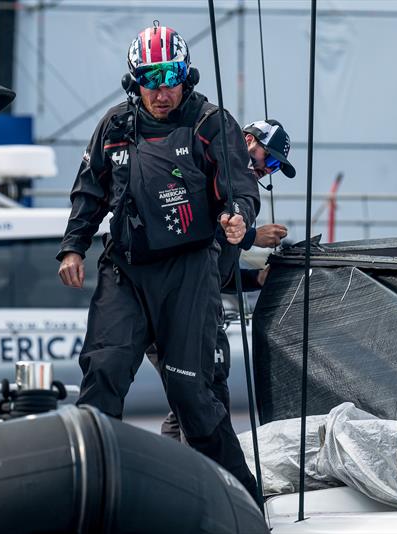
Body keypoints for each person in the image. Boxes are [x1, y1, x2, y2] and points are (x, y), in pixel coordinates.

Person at [57, 22, 260, 495]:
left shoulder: (210, 123)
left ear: (185, 76)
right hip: (126, 270)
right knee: (103, 373)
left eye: (170, 77)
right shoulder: (114, 125)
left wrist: (238, 217)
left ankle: (242, 502)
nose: (161, 90)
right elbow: (90, 190)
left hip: (188, 272)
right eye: (151, 79)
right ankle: (92, 493)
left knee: (193, 394)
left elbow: (239, 187)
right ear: (135, 82)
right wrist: (73, 245)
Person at [154, 118, 296, 442]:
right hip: (179, 307)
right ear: (247, 140)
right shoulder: (213, 170)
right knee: (200, 400)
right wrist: (252, 237)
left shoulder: (243, 191)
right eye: (269, 159)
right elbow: (196, 228)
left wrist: (257, 279)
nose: (268, 170)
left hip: (196, 305)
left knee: (192, 404)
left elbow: (215, 273)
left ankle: (176, 476)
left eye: (275, 167)